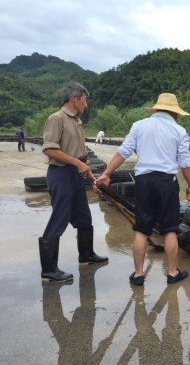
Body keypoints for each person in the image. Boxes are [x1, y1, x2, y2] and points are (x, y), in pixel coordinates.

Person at [96, 93, 190, 285]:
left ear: (157, 109)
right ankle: (172, 273)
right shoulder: (179, 131)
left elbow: (123, 152)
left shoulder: (139, 126)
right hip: (166, 183)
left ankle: (139, 274)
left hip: (143, 182)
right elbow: (185, 163)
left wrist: (107, 173)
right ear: (175, 113)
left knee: (142, 229)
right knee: (169, 229)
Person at [39, 82, 108, 282]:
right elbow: (49, 149)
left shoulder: (76, 122)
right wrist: (77, 163)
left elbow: (82, 158)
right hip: (61, 175)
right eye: (85, 100)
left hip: (76, 175)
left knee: (84, 219)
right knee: (59, 218)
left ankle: (86, 256)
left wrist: (92, 179)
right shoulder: (56, 119)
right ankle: (49, 271)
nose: (86, 105)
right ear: (74, 99)